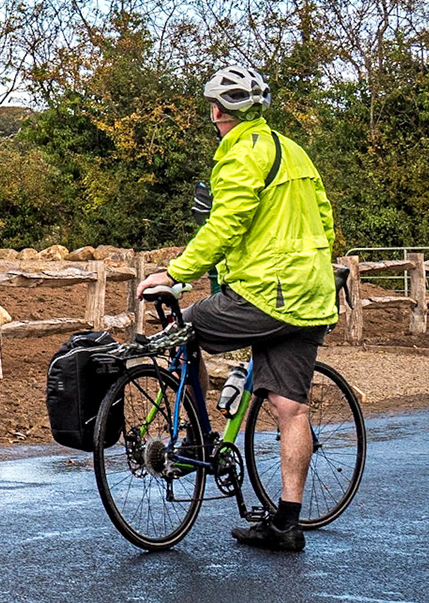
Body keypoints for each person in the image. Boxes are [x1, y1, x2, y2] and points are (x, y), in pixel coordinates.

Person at [135, 65, 339, 553]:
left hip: (268, 292)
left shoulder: (241, 155)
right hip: (310, 293)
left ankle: (195, 439)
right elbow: (326, 219)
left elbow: (225, 225)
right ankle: (286, 525)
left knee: (184, 326)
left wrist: (177, 272)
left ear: (218, 110)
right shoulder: (293, 150)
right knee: (291, 408)